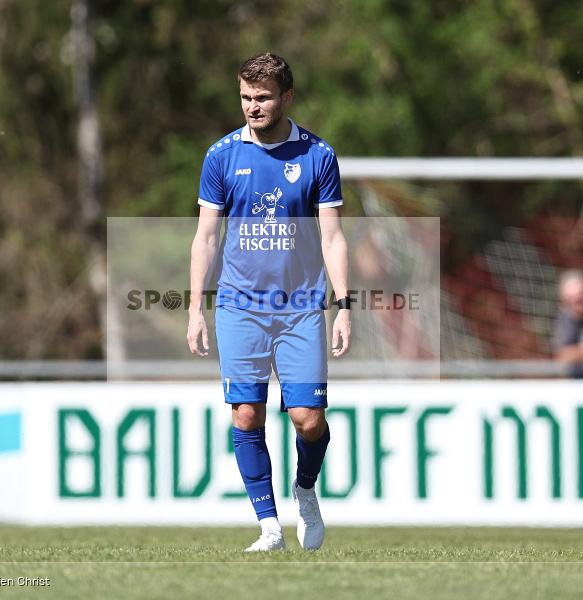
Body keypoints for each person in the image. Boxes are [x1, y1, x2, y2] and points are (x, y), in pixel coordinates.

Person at [186, 53, 351, 552]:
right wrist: (196, 307)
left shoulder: (317, 156)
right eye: (245, 97)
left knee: (308, 419)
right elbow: (206, 239)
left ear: (287, 98)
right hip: (239, 306)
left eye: (262, 97)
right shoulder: (221, 156)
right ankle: (269, 528)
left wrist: (344, 305)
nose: (252, 107)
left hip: (301, 307)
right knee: (246, 415)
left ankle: (304, 490)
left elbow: (333, 239)